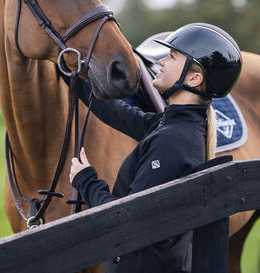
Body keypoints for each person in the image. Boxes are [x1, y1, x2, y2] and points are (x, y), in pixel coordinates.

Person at [69, 23, 242, 273]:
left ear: (194, 78)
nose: (161, 62)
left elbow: (125, 220)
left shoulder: (173, 141)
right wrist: (73, 74)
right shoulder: (177, 124)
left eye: (172, 57)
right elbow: (121, 115)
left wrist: (85, 180)